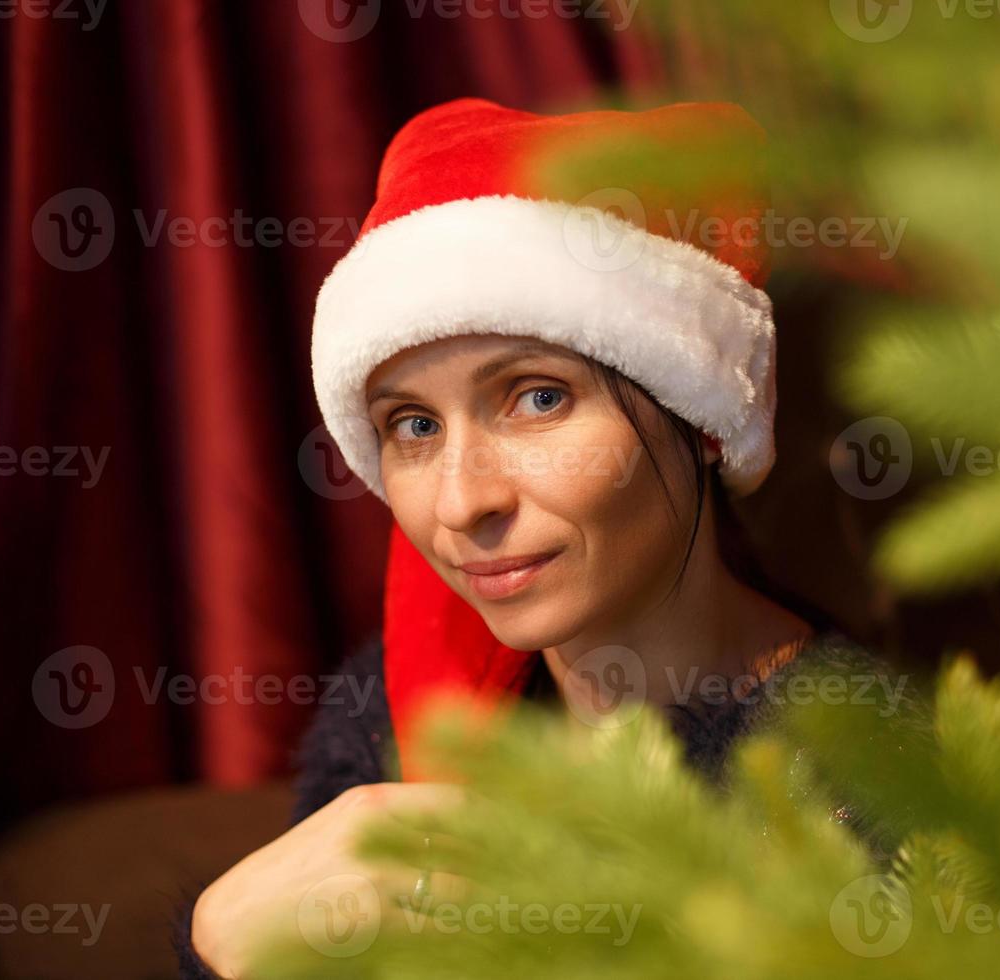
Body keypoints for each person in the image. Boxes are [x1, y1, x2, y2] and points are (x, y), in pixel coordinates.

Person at [173, 96, 911, 979]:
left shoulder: (868, 777)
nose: (461, 502)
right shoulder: (392, 709)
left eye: (538, 397)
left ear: (704, 413)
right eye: (412, 425)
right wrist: (216, 947)